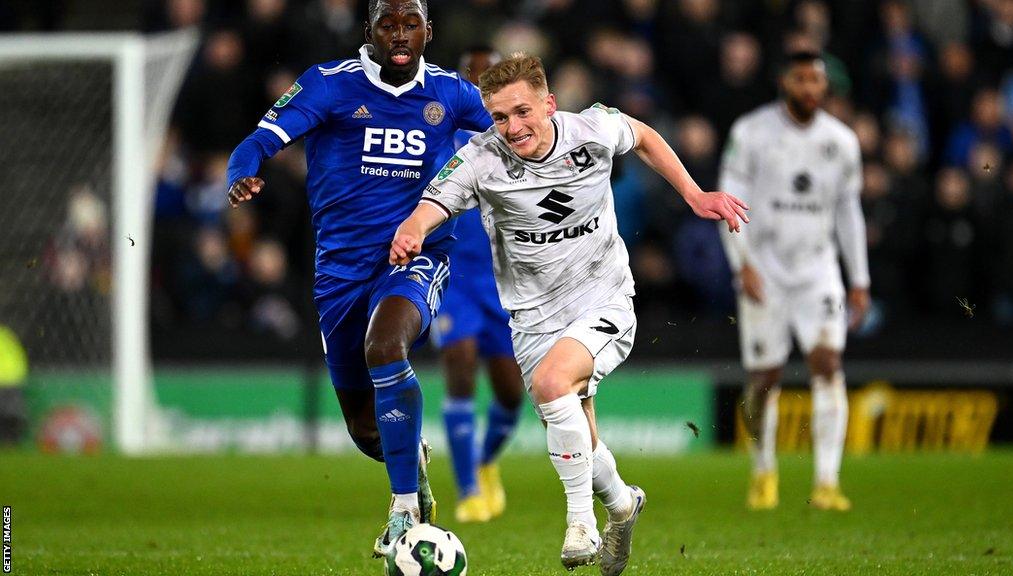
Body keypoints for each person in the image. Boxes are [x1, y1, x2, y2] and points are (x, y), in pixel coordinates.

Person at [391, 54, 748, 574]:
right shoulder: (479, 159)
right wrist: (413, 229)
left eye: (522, 112)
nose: (512, 128)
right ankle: (623, 505)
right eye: (499, 117)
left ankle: (580, 522)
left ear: (549, 104)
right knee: (581, 434)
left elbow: (644, 136)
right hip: (533, 319)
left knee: (554, 384)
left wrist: (694, 194)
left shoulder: (593, 129)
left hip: (602, 298)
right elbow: (433, 203)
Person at [224, 0, 493, 556]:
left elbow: (516, 137)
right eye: (388, 25)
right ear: (368, 30)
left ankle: (402, 512)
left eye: (410, 25)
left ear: (428, 31)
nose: (400, 36)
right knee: (364, 429)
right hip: (340, 273)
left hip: (417, 255)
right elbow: (259, 141)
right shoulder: (327, 85)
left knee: (386, 343)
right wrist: (243, 171)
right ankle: (409, 461)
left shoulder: (453, 93)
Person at [718, 51, 870, 512]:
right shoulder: (751, 132)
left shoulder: (841, 141)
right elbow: (728, 201)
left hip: (817, 270)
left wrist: (858, 278)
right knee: (765, 378)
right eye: (800, 78)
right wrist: (740, 263)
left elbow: (849, 212)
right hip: (764, 269)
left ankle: (827, 481)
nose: (809, 88)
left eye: (816, 80)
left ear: (826, 87)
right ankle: (763, 470)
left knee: (828, 363)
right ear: (784, 80)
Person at [433, 46, 524, 524]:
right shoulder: (442, 130)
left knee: (511, 393)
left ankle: (487, 461)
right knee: (460, 364)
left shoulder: (517, 136)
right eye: (477, 78)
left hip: (503, 280)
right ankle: (467, 488)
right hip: (453, 275)